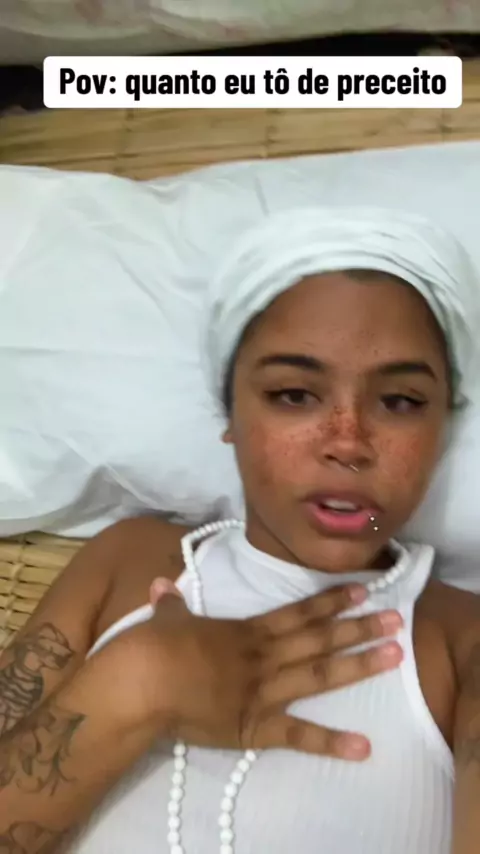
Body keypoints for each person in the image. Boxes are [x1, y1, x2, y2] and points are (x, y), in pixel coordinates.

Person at [0, 206, 479, 854]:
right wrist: (136, 683)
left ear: (443, 428)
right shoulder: (128, 562)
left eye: (400, 402)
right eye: (294, 394)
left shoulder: (462, 642)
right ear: (229, 412)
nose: (347, 442)